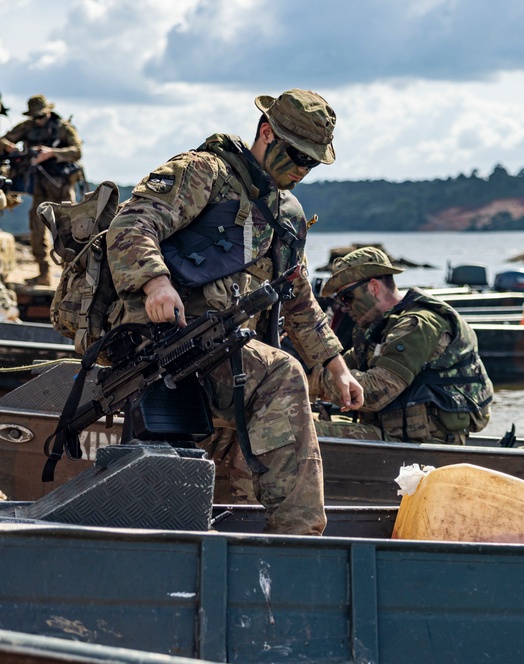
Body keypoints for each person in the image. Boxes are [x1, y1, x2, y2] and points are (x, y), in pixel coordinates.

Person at [106, 89, 363, 535]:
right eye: (295, 157)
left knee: (256, 416)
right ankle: (302, 538)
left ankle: (236, 544)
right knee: (281, 374)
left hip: (227, 353)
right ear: (266, 133)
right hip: (168, 342)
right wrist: (156, 281)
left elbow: (297, 295)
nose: (301, 171)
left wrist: (336, 365)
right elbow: (132, 223)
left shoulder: (286, 214)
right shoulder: (203, 172)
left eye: (311, 163)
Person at [312, 246, 493, 444]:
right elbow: (341, 368)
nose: (343, 307)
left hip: (427, 444)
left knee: (302, 432)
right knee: (301, 420)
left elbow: (376, 391)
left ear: (374, 287)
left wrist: (313, 383)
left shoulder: (416, 325)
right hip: (393, 434)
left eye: (346, 297)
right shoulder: (376, 329)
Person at [0, 95, 84, 285]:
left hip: (62, 185)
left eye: (39, 116)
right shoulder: (27, 127)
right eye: (34, 117)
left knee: (66, 231)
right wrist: (10, 148)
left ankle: (69, 276)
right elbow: (4, 140)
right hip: (40, 185)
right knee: (37, 228)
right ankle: (44, 273)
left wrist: (51, 153)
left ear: (47, 112)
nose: (37, 120)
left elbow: (77, 151)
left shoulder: (62, 128)